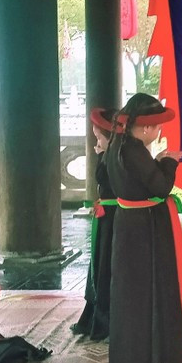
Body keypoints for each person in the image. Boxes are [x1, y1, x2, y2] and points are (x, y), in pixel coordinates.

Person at [105, 93, 182, 363]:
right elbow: (160, 187)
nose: (158, 133)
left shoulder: (120, 146)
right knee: (139, 301)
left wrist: (157, 161)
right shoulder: (134, 150)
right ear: (144, 129)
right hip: (141, 230)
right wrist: (168, 163)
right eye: (156, 128)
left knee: (140, 297)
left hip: (131, 225)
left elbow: (136, 181)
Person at [72, 107, 119, 340]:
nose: (97, 142)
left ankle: (105, 321)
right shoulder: (109, 154)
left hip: (114, 219)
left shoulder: (117, 157)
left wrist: (102, 154)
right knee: (99, 265)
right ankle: (93, 317)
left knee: (106, 268)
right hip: (106, 216)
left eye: (99, 137)